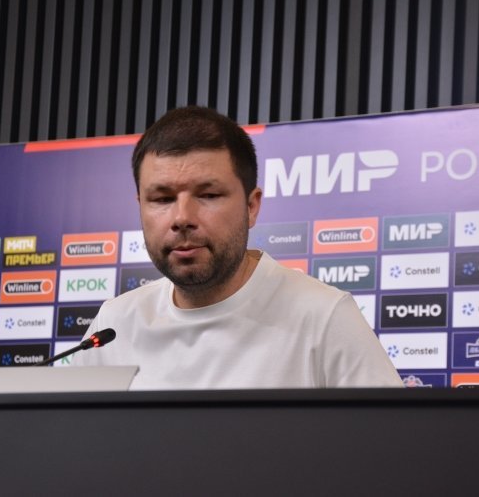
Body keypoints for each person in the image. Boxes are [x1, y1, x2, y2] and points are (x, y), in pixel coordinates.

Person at [72, 106, 403, 389]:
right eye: (162, 199)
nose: (182, 218)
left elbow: (391, 440)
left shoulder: (325, 317)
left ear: (251, 206)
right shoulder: (113, 324)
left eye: (208, 195)